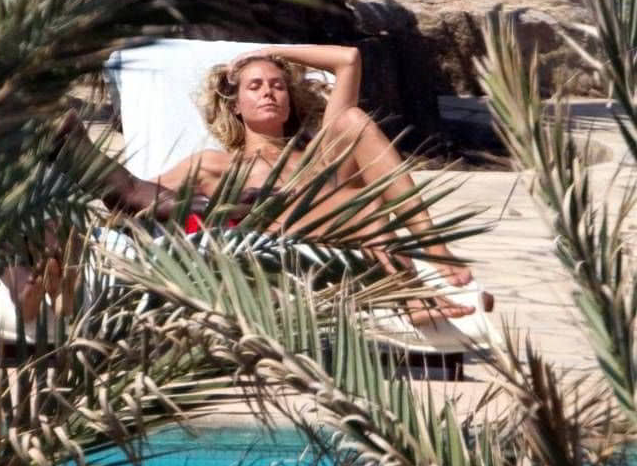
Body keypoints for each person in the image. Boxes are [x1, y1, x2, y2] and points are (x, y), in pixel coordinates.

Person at [152, 44, 479, 325]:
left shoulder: (318, 155)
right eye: (255, 86)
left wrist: (270, 52)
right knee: (363, 203)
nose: (268, 92)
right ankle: (409, 294)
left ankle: (433, 244)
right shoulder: (216, 164)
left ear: (289, 101)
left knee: (352, 120)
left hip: (348, 239)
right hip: (280, 251)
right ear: (235, 105)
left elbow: (348, 59)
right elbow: (141, 194)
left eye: (278, 85)